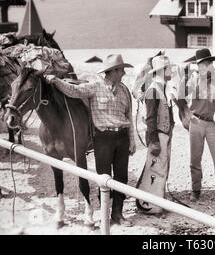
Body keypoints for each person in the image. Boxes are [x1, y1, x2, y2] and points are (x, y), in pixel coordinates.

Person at [45, 54, 136, 226]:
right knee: (103, 178)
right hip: (103, 139)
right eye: (121, 69)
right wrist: (56, 81)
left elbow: (129, 117)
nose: (124, 72)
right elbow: (74, 90)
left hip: (122, 138)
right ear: (113, 72)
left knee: (122, 177)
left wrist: (132, 141)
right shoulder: (95, 87)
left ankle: (117, 214)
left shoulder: (124, 90)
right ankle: (104, 213)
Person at [186, 48, 215, 206]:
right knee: (195, 160)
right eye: (201, 64)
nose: (204, 66)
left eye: (207, 63)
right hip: (196, 122)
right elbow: (181, 96)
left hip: (214, 124)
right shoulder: (193, 80)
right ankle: (196, 189)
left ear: (211, 63)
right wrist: (186, 115)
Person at [136, 54, 175, 215]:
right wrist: (155, 141)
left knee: (161, 169)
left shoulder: (160, 88)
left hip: (163, 135)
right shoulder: (154, 90)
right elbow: (150, 118)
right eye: (168, 68)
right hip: (158, 136)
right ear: (162, 70)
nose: (171, 70)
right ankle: (152, 206)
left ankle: (157, 202)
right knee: (156, 170)